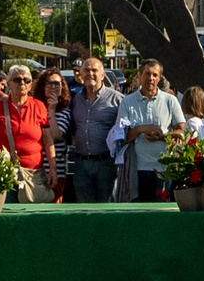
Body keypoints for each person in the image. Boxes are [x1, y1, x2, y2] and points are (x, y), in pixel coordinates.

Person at [112, 59, 183, 201]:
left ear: (160, 78)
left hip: (162, 169)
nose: (151, 78)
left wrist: (162, 136)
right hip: (135, 169)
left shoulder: (170, 100)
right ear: (140, 75)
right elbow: (121, 137)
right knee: (137, 211)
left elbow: (182, 132)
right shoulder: (127, 102)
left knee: (160, 211)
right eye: (147, 74)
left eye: (155, 75)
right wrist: (140, 129)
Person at [60, 55, 122, 205]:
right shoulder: (76, 100)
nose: (90, 74)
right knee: (84, 210)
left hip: (106, 164)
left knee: (106, 209)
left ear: (103, 75)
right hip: (81, 164)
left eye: (94, 70)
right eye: (86, 70)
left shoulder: (117, 99)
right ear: (80, 74)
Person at [0, 63, 49, 188]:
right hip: (4, 174)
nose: (22, 83)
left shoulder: (39, 106)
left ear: (31, 85)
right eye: (17, 80)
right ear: (9, 84)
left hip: (33, 174)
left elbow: (48, 140)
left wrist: (53, 168)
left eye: (26, 80)